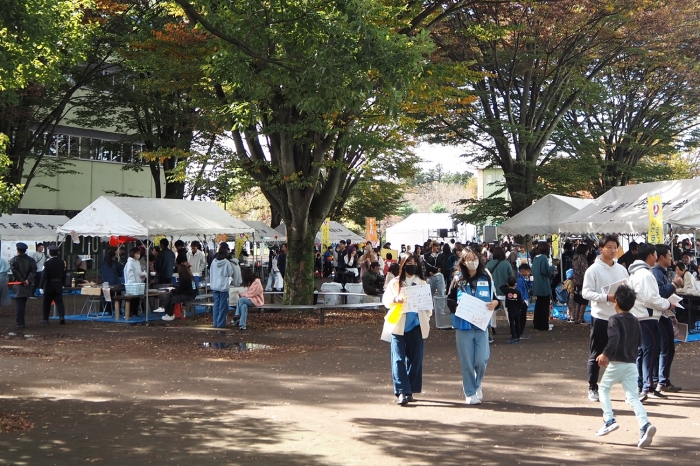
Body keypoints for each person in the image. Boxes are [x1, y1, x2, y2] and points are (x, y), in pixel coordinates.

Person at [595, 284, 657, 448]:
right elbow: (639, 342)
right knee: (632, 398)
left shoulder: (614, 319)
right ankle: (645, 425)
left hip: (616, 363)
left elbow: (613, 339)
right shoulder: (635, 320)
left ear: (615, 301)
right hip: (631, 363)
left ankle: (609, 419)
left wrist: (605, 354)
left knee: (603, 389)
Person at [582, 234, 629, 402]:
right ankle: (592, 387)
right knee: (596, 353)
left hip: (618, 317)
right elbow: (586, 292)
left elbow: (628, 288)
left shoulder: (621, 269)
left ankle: (627, 389)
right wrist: (606, 297)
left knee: (621, 353)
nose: (613, 250)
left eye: (615, 247)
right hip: (600, 317)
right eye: (609, 247)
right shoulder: (593, 270)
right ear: (601, 248)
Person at [449, 246, 499, 405]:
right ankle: (470, 392)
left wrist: (495, 303)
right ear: (463, 262)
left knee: (481, 360)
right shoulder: (457, 279)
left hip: (481, 325)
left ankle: (477, 384)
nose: (472, 261)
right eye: (468, 259)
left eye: (474, 258)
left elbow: (495, 298)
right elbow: (449, 300)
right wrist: (456, 308)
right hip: (463, 326)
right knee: (467, 362)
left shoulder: (486, 277)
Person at [381, 256, 432, 406]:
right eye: (408, 263)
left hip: (416, 325)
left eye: (414, 263)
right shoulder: (395, 282)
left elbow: (428, 306)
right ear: (402, 265)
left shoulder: (422, 283)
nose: (412, 266)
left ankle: (410, 389)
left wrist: (424, 317)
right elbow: (386, 300)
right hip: (398, 324)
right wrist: (395, 300)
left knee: (415, 359)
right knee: (398, 359)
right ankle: (402, 391)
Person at [628, 244, 671, 401]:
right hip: (647, 317)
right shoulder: (645, 274)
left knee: (642, 353)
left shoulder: (634, 273)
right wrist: (667, 304)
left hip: (639, 317)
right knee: (649, 353)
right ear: (651, 256)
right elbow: (651, 298)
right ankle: (647, 387)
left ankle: (644, 386)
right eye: (654, 254)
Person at [651, 244, 683, 394]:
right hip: (659, 316)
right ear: (661, 257)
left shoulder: (661, 272)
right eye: (669, 255)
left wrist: (672, 315)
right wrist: (675, 284)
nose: (671, 258)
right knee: (665, 349)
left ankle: (662, 379)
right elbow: (660, 294)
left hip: (665, 314)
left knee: (667, 349)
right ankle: (660, 381)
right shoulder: (656, 273)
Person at [9, 243, 37, 329]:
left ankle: (20, 323)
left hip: (18, 284)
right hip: (27, 284)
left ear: (17, 250)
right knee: (23, 303)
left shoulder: (14, 260)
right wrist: (28, 280)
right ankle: (21, 322)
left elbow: (15, 271)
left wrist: (22, 280)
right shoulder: (31, 260)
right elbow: (33, 270)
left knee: (19, 304)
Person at [39, 246, 66, 324]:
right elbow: (64, 274)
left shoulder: (47, 263)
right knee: (59, 302)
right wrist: (63, 283)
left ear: (49, 253)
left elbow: (44, 275)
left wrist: (41, 286)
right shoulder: (62, 262)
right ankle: (61, 317)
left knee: (47, 302)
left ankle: (45, 319)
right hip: (58, 284)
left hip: (49, 284)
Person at [531, 242, 554, 331]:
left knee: (538, 305)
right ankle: (544, 325)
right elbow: (546, 271)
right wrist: (552, 268)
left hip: (537, 285)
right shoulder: (543, 258)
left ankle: (537, 323)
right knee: (545, 306)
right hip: (544, 286)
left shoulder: (535, 258)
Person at [210, 245, 233, 328]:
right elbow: (230, 273)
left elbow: (211, 272)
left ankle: (215, 323)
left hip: (215, 286)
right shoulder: (226, 262)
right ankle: (220, 324)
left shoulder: (214, 262)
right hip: (223, 287)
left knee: (216, 305)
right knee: (223, 307)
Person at [569, 244, 590, 324]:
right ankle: (580, 318)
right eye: (587, 250)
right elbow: (585, 271)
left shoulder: (575, 258)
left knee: (578, 300)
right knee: (584, 300)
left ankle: (577, 317)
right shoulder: (583, 258)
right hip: (582, 281)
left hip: (576, 281)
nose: (588, 252)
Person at [99, 250, 124, 315]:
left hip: (106, 285)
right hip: (116, 284)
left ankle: (109, 311)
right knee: (118, 297)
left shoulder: (102, 265)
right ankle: (118, 310)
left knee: (108, 298)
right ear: (113, 256)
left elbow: (101, 274)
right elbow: (120, 273)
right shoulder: (116, 264)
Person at [500, 276, 523, 344]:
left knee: (512, 323)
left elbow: (501, 287)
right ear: (515, 284)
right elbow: (520, 301)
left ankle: (513, 337)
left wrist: (507, 284)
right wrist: (520, 308)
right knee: (517, 323)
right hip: (517, 309)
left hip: (510, 309)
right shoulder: (518, 292)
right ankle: (518, 336)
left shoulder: (507, 291)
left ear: (507, 284)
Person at [516, 264, 532, 339]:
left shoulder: (522, 279)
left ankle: (520, 333)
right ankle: (519, 333)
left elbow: (528, 286)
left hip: (524, 300)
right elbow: (519, 291)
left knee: (522, 318)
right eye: (528, 271)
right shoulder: (519, 280)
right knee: (522, 318)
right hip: (522, 301)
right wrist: (521, 300)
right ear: (522, 271)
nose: (529, 273)